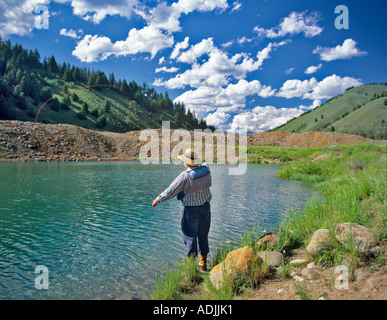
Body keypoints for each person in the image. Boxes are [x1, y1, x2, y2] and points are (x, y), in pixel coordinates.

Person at [152, 148, 212, 271]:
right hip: (205, 207)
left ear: (187, 163)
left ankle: (191, 268)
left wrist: (157, 200)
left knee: (190, 236)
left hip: (191, 211)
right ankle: (203, 262)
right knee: (203, 234)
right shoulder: (206, 170)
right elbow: (205, 163)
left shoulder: (185, 177)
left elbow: (170, 192)